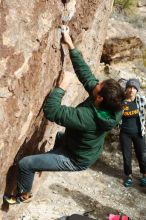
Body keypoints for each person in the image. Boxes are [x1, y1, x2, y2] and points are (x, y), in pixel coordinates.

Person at [4, 25, 125, 204]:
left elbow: (52, 111)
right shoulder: (112, 104)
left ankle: (23, 195)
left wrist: (62, 86)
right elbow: (87, 76)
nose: (96, 83)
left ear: (99, 98)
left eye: (99, 85)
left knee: (26, 164)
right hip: (79, 146)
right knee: (60, 136)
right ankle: (47, 162)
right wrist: (71, 45)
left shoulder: (87, 117)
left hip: (75, 159)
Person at [119, 78, 146, 187]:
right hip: (125, 133)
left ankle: (144, 175)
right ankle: (129, 176)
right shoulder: (121, 102)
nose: (131, 90)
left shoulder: (141, 100)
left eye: (134, 88)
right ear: (126, 89)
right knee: (127, 155)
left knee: (142, 155)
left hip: (139, 133)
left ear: (137, 90)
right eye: (129, 87)